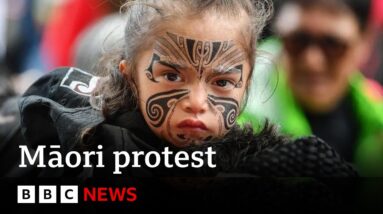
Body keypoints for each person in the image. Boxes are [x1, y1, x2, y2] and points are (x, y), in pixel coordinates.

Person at [2, 0, 356, 178]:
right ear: (129, 76)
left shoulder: (262, 166)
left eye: (222, 82)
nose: (198, 102)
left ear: (246, 85)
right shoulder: (75, 142)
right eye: (172, 77)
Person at [240, 0, 383, 176]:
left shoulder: (376, 117)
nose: (312, 62)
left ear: (365, 43)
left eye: (333, 44)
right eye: (298, 40)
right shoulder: (233, 116)